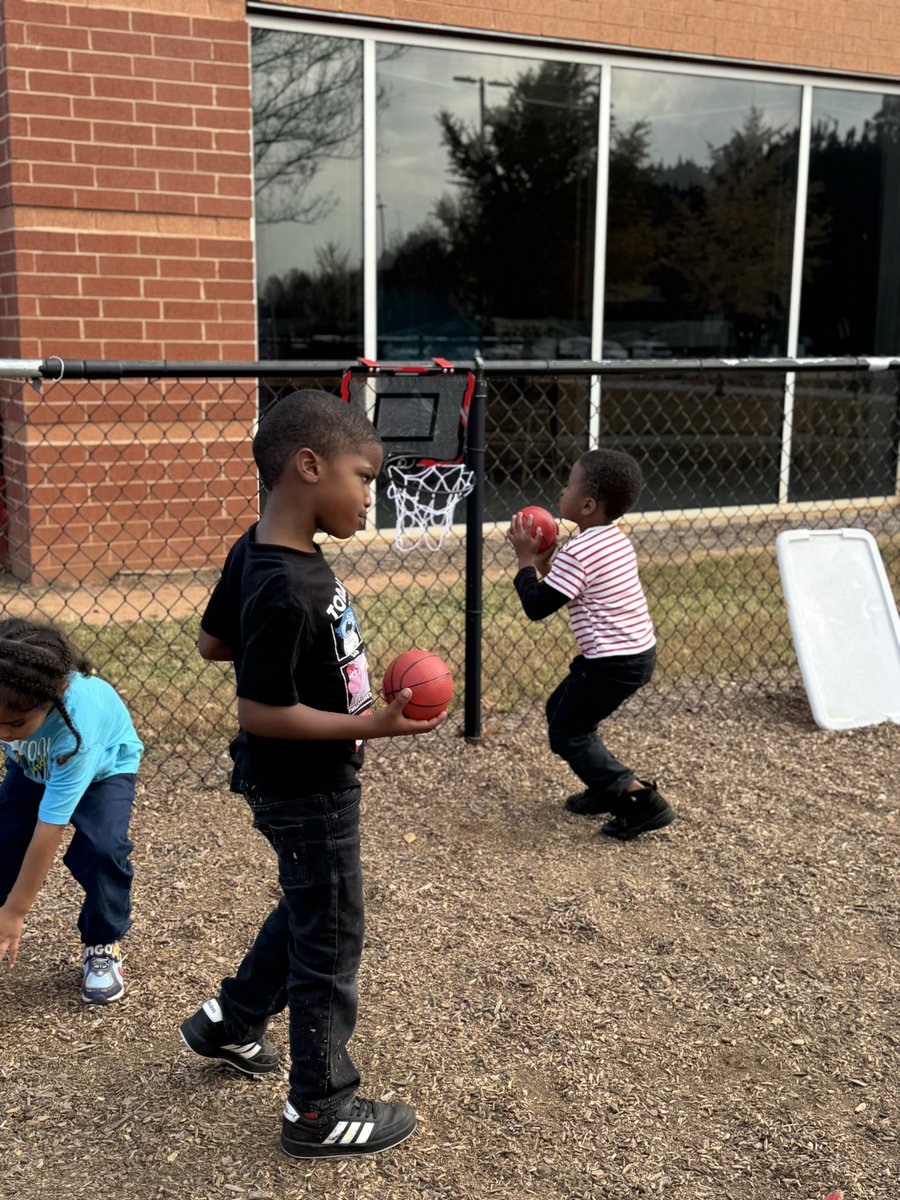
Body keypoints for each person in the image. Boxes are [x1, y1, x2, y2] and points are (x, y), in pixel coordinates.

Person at [179, 390, 446, 1161]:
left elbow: (209, 643)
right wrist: (369, 723)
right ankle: (318, 1109)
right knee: (331, 936)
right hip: (307, 785)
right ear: (308, 466)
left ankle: (232, 1022)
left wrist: (314, 669)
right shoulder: (291, 586)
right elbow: (263, 710)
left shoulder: (260, 552)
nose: (372, 495)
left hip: (293, 778)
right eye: (364, 477)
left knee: (311, 909)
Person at [508, 449, 675, 841]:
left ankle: (640, 802)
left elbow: (537, 606)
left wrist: (525, 560)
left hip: (610, 663)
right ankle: (605, 788)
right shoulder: (610, 540)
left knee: (568, 734)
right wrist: (547, 562)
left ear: (586, 504)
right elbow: (566, 589)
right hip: (631, 656)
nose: (561, 490)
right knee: (561, 711)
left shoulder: (581, 552)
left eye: (568, 484)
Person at [0, 618, 143, 1002]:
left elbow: (49, 829)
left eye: (15, 723)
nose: (4, 734)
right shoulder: (9, 711)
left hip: (103, 770)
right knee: (6, 834)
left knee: (102, 850)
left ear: (57, 694)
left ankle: (102, 942)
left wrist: (17, 910)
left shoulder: (75, 730)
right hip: (34, 764)